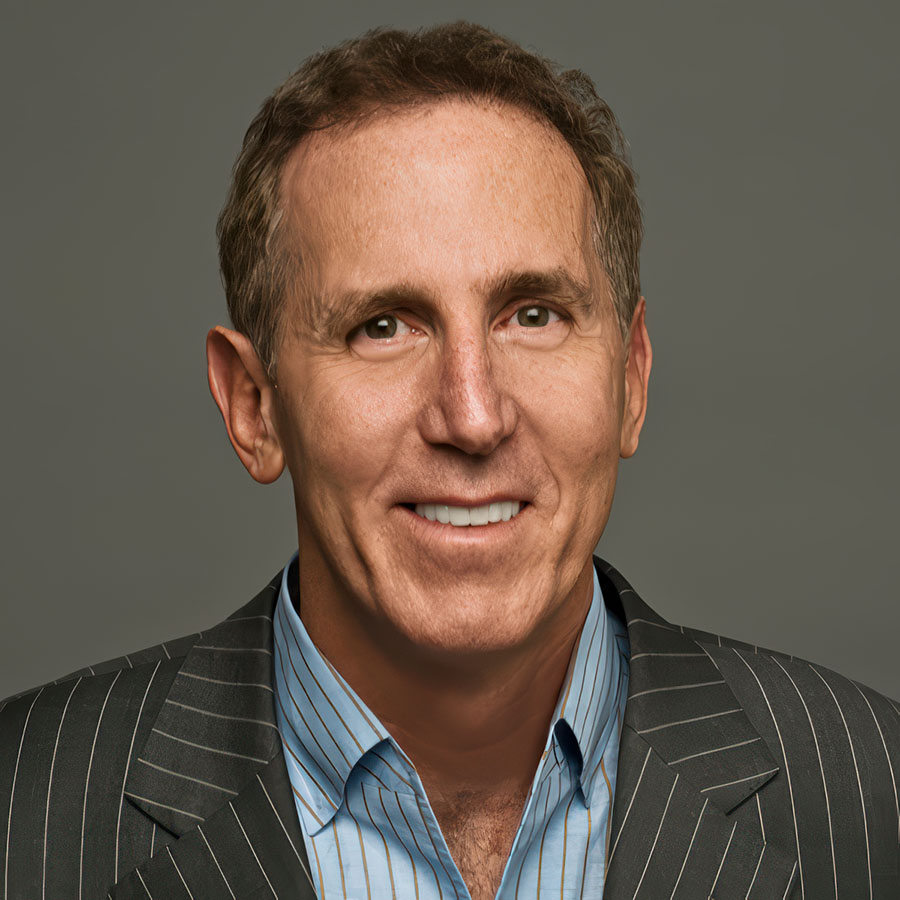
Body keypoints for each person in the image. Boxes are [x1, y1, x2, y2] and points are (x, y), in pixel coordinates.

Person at [1, 21, 897, 900]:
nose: (472, 416)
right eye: (382, 327)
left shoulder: (872, 792)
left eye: (534, 315)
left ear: (630, 379)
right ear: (253, 406)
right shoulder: (21, 814)